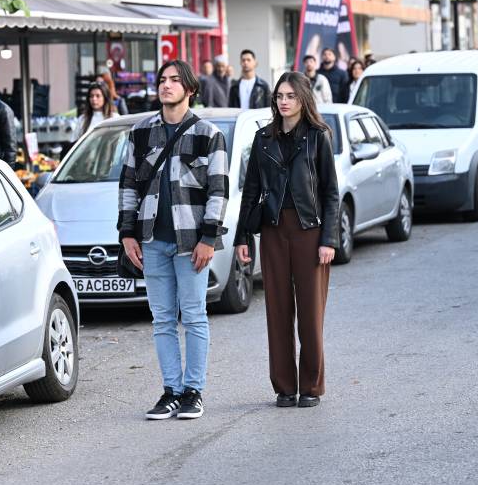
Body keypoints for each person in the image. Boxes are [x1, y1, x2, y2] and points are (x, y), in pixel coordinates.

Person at [118, 59, 229, 421]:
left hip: (191, 241)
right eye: (162, 80)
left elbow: (218, 190)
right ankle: (171, 391)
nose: (165, 86)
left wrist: (209, 237)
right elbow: (128, 185)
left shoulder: (209, 134)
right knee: (162, 319)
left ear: (190, 89)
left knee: (194, 316)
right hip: (152, 240)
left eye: (174, 81)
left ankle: (193, 392)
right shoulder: (140, 132)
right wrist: (127, 233)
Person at [234, 71, 339, 408]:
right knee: (277, 311)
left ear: (303, 99)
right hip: (274, 230)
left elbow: (331, 193)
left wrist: (329, 239)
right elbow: (250, 192)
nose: (283, 101)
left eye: (291, 96)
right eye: (279, 95)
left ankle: (311, 386)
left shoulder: (319, 136)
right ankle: (284, 386)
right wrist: (242, 238)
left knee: (310, 313)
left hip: (310, 232)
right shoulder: (263, 139)